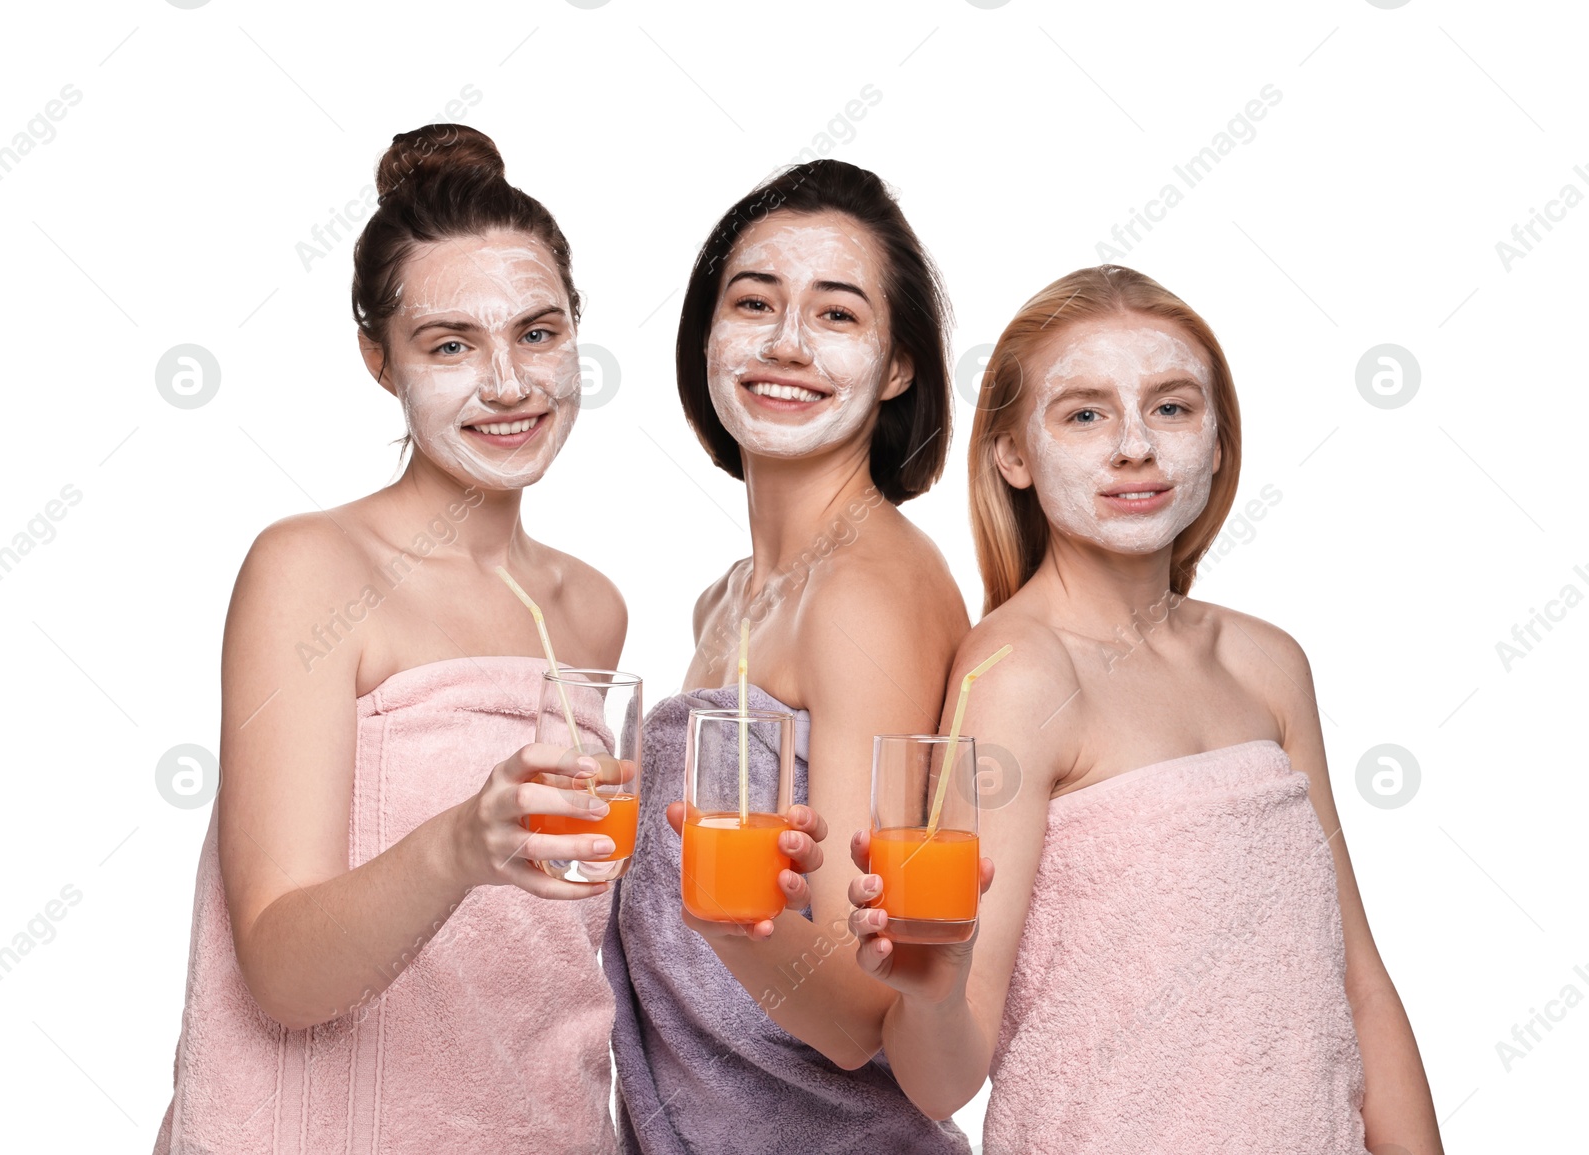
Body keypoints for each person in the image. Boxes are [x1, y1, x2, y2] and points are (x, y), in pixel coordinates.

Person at [846, 265, 1444, 1154]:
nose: (1135, 445)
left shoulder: (1268, 665)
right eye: (1084, 413)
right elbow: (943, 1077)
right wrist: (931, 991)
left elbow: (1356, 981)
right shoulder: (1018, 678)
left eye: (1171, 407)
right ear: (1012, 454)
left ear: (1217, 442)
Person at [155, 124, 627, 1154]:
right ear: (378, 359)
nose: (509, 385)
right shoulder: (312, 571)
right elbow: (282, 973)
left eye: (538, 334)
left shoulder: (592, 609)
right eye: (451, 344)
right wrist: (462, 845)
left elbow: (556, 957)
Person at [602, 159, 973, 1154]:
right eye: (753, 301)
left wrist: (728, 919)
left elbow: (862, 1006)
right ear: (705, 336)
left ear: (899, 367)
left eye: (838, 315)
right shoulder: (728, 598)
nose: (785, 342)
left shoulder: (864, 596)